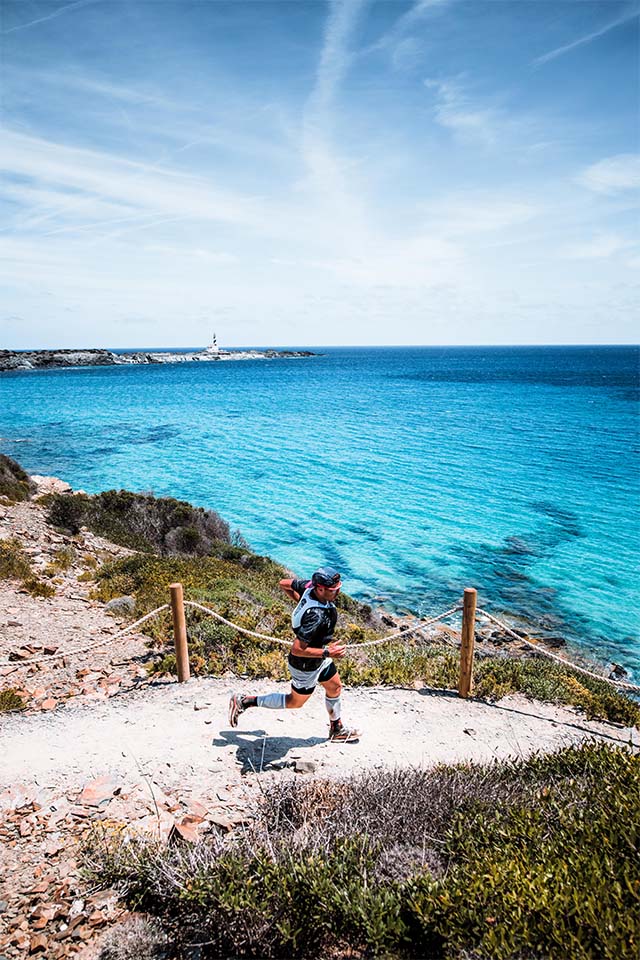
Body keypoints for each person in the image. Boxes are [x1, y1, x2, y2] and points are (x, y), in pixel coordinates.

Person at [228, 566, 360, 742]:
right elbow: (297, 649)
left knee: (335, 687)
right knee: (294, 702)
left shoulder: (308, 586)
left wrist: (300, 604)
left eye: (338, 588)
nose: (338, 592)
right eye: (333, 590)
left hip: (320, 657)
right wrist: (328, 652)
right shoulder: (315, 616)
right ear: (320, 588)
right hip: (305, 663)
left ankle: (337, 729)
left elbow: (284, 583)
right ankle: (244, 701)